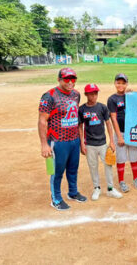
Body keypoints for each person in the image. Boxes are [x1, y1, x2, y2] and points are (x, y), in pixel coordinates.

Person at [38, 67, 87, 211]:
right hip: (58, 140)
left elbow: (76, 119)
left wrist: (80, 140)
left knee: (73, 169)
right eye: (66, 79)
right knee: (57, 171)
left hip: (73, 139)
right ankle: (56, 199)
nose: (70, 82)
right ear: (59, 79)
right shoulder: (49, 96)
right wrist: (44, 145)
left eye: (73, 79)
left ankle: (73, 192)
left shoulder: (76, 94)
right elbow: (42, 121)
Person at [78, 83, 122, 200]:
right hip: (90, 144)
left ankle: (110, 189)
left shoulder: (102, 107)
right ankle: (96, 188)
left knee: (108, 164)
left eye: (95, 93)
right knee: (93, 166)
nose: (93, 96)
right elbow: (80, 127)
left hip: (102, 143)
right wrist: (82, 143)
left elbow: (108, 124)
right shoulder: (82, 109)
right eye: (91, 94)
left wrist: (111, 141)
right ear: (86, 94)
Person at [107, 73, 137, 192]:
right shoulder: (112, 99)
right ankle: (121, 181)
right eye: (118, 82)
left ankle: (136, 178)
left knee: (134, 157)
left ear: (127, 84)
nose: (121, 85)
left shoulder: (130, 96)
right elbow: (113, 118)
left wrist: (133, 94)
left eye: (123, 83)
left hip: (132, 132)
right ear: (115, 83)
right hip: (120, 133)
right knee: (121, 158)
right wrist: (119, 136)